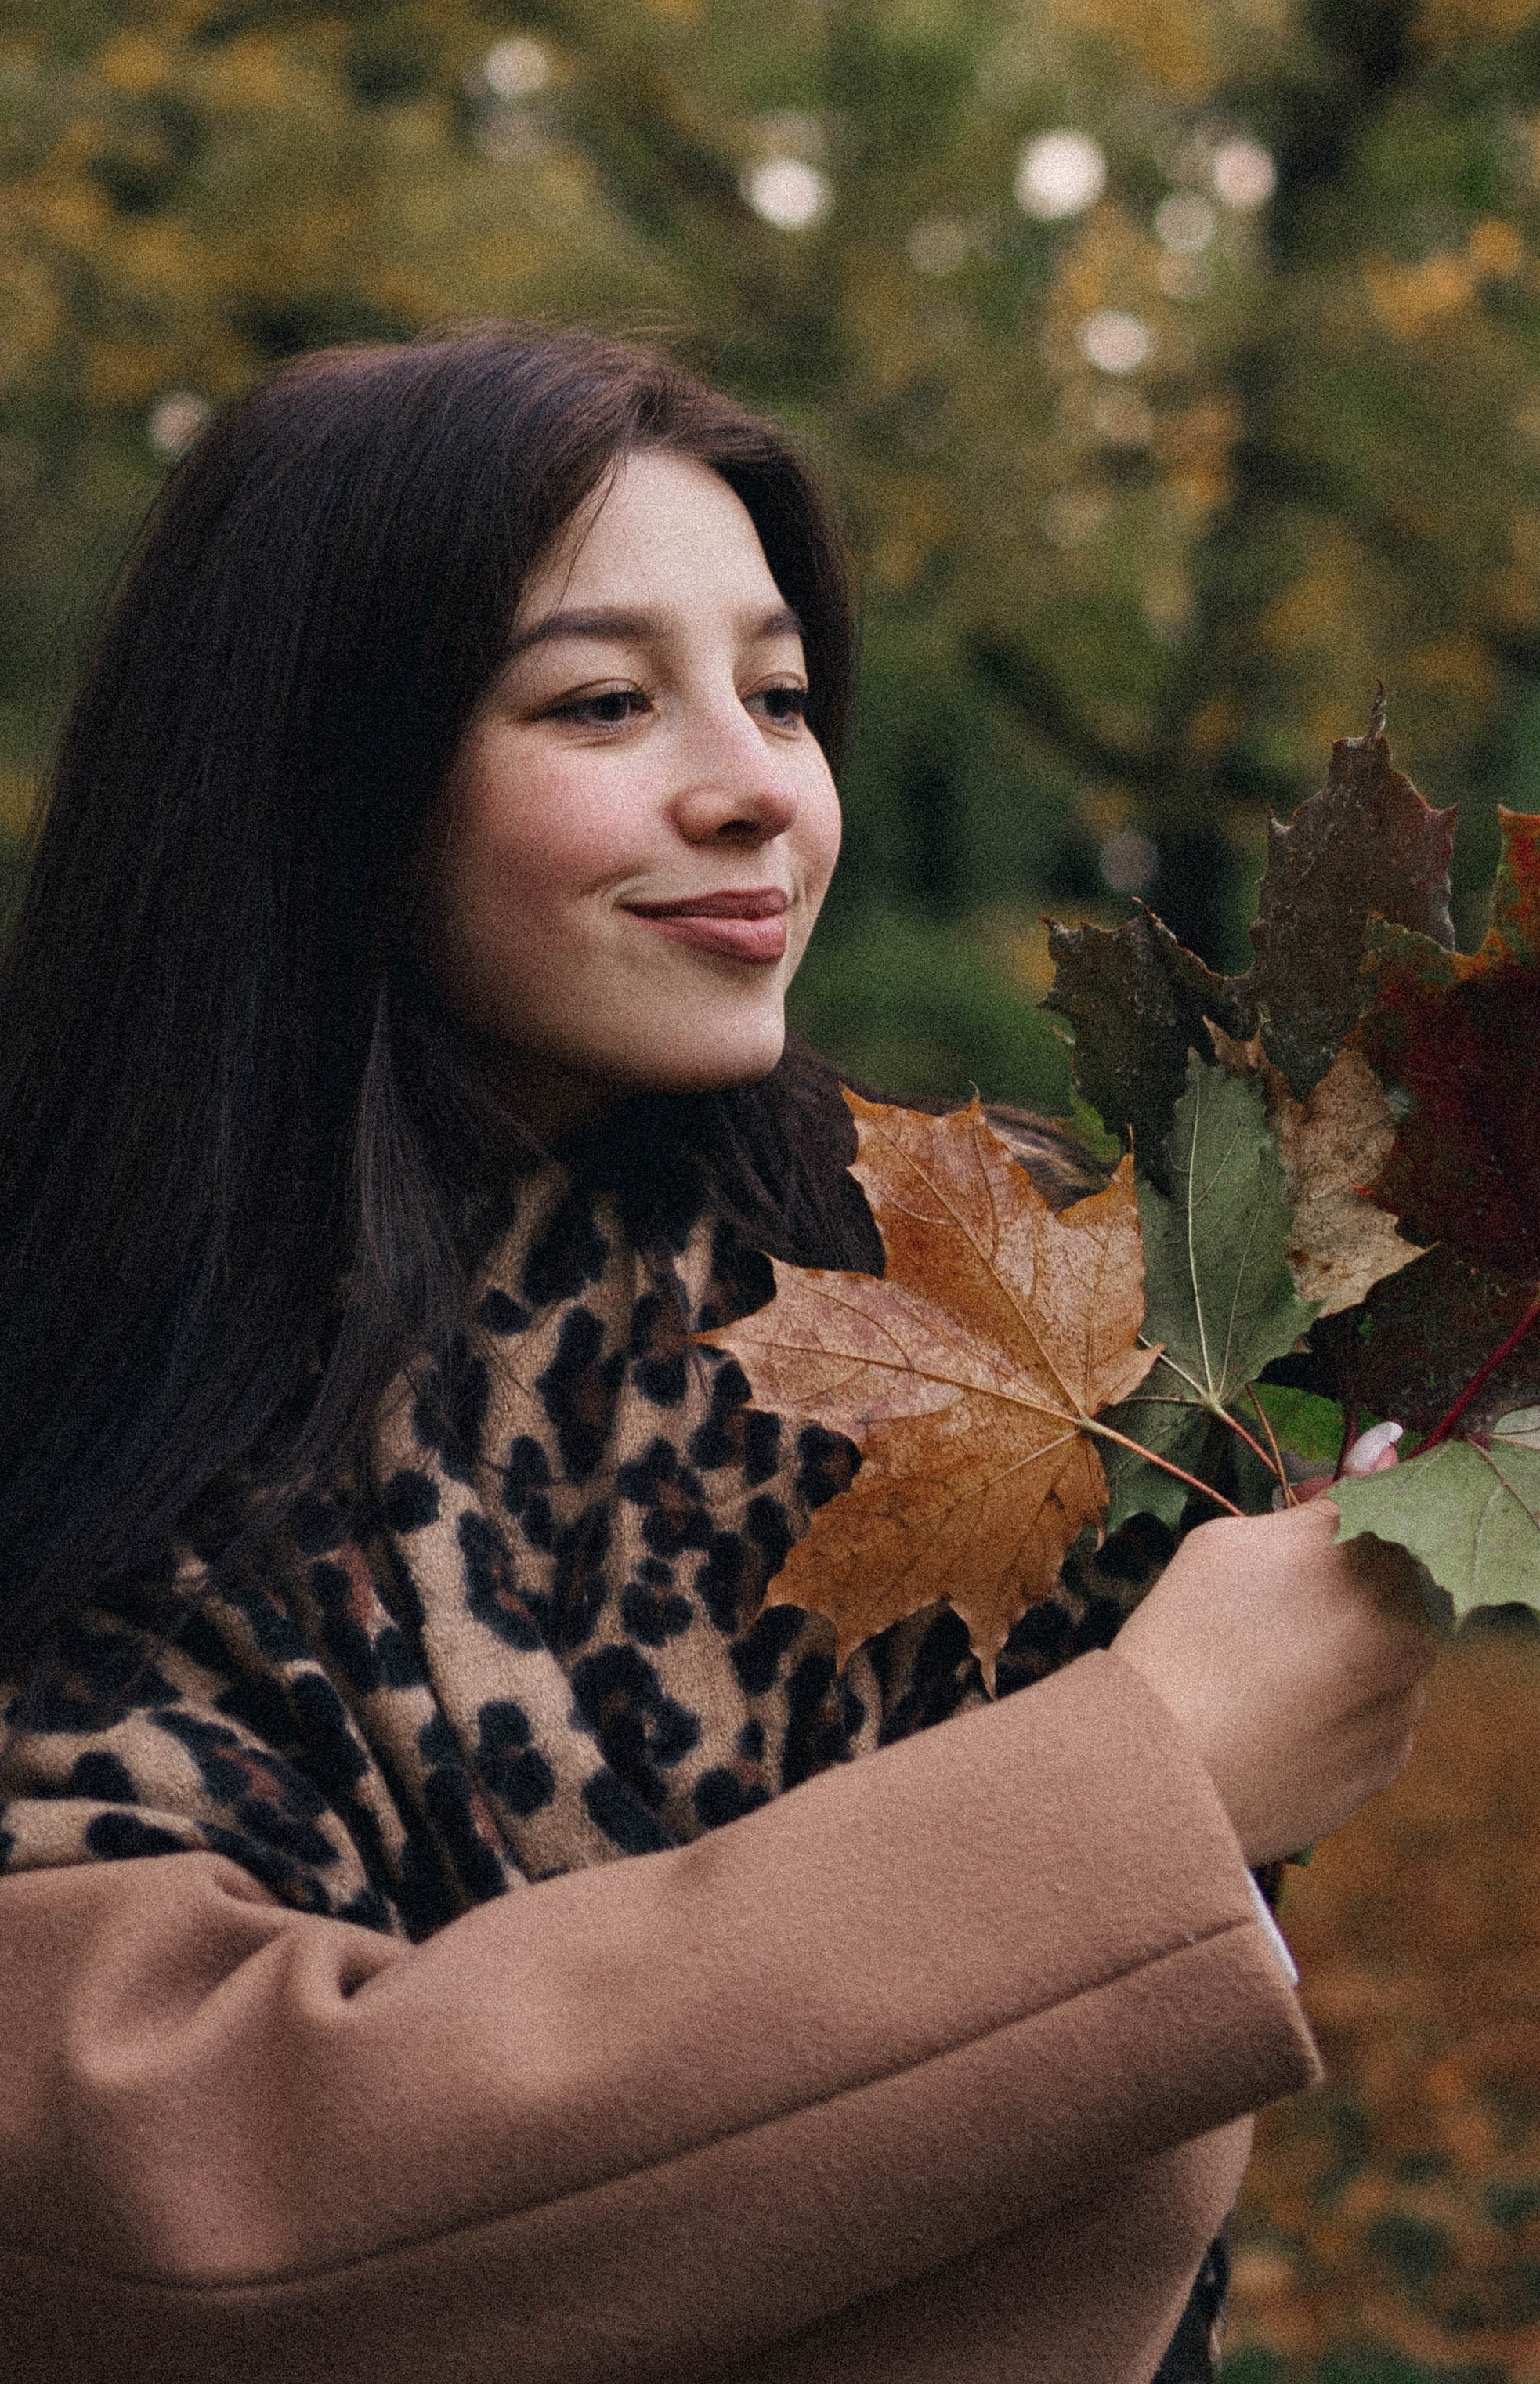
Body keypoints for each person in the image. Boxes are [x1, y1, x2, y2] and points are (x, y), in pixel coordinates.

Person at [0, 324, 1431, 2384]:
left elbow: (1128, 2191)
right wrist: (1155, 1791)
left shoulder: (990, 1315)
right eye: (603, 700)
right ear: (328, 776)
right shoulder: (121, 1414)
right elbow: (192, 2216)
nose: (758, 787)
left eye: (779, 694)